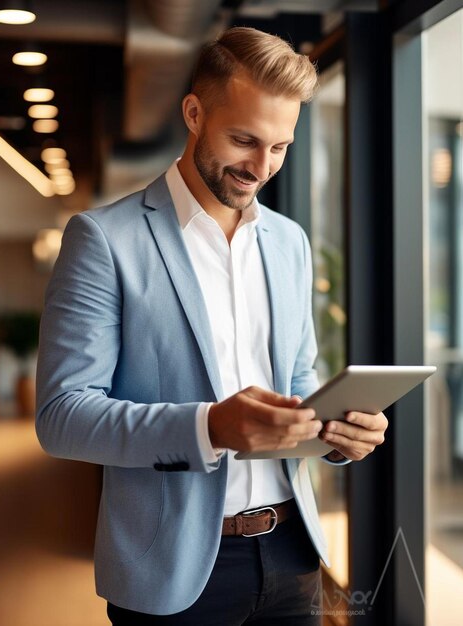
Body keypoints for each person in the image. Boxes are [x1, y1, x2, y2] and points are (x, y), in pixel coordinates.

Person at [36, 26, 388, 625]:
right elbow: (62, 416)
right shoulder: (105, 241)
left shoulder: (289, 241)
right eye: (244, 139)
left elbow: (298, 379)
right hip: (170, 567)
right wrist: (210, 427)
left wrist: (335, 432)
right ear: (194, 113)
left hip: (291, 554)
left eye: (280, 147)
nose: (261, 167)